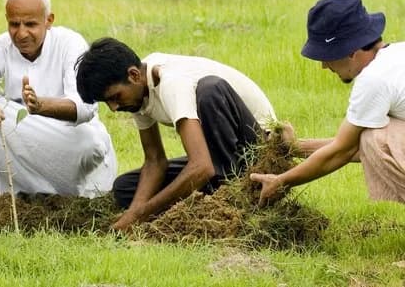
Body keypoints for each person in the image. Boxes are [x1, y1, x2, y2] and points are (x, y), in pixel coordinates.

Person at [75, 38, 277, 231]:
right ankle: (212, 193)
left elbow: (202, 167)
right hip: (220, 157)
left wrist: (143, 214)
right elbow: (155, 161)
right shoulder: (138, 93)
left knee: (209, 90)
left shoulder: (171, 83)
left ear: (134, 75)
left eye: (115, 97)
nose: (113, 107)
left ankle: (230, 200)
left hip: (256, 150)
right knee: (125, 188)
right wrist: (134, 211)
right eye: (107, 102)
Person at [0, 0, 117, 197]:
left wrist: (41, 106)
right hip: (22, 134)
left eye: (30, 24)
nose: (21, 34)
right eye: (14, 24)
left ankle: (67, 194)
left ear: (49, 20)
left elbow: (85, 107)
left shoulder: (70, 43)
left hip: (66, 138)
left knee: (91, 144)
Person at [251, 0, 405, 205]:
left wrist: (280, 181)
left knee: (375, 140)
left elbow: (342, 151)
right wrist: (295, 147)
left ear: (351, 51)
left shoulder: (374, 79)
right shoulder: (397, 57)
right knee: (372, 139)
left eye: (328, 55)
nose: (324, 65)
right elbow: (351, 145)